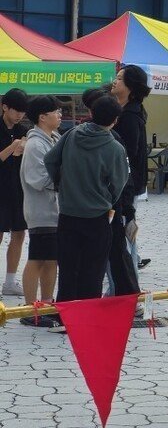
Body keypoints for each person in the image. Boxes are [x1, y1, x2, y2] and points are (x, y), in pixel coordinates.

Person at [45, 95, 129, 303]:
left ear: (91, 113)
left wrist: (61, 183)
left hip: (68, 213)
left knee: (67, 270)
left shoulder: (72, 134)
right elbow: (119, 183)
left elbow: (50, 159)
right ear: (115, 120)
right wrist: (107, 198)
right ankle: (87, 314)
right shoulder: (115, 148)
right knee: (93, 272)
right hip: (97, 217)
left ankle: (65, 313)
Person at [19, 95, 62, 325]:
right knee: (37, 258)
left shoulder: (53, 137)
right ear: (42, 117)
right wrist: (66, 178)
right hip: (41, 211)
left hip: (54, 211)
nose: (60, 115)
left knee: (51, 259)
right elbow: (38, 179)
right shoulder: (35, 144)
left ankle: (46, 304)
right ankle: (29, 310)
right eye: (56, 111)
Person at [110, 65, 151, 297]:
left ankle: (129, 290)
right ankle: (123, 288)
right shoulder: (125, 111)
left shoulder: (130, 116)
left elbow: (129, 154)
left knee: (125, 236)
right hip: (123, 183)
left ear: (130, 86)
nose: (114, 81)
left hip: (126, 184)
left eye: (119, 78)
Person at [0, 88, 28, 297]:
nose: (19, 115)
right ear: (5, 107)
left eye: (22, 111)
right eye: (16, 110)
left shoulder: (24, 130)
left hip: (18, 189)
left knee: (19, 233)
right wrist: (13, 147)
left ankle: (10, 281)